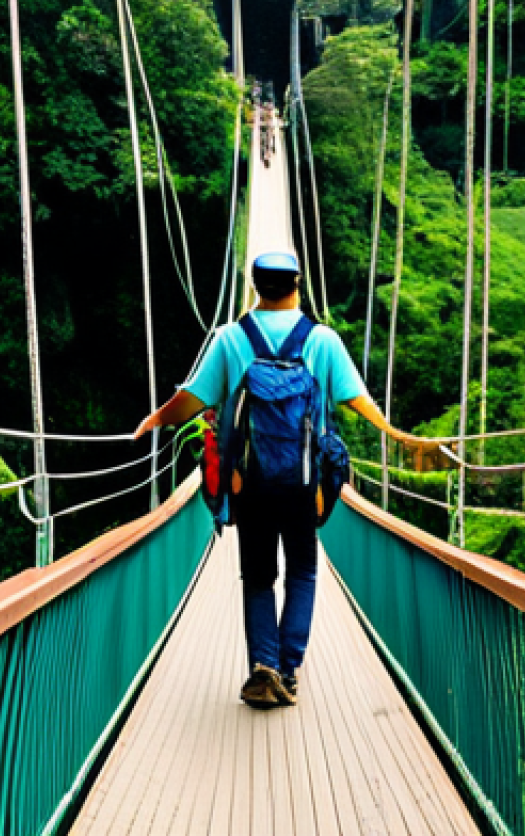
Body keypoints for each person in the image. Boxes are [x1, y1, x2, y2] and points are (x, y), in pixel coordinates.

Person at [133, 251, 437, 710]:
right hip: (304, 483)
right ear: (298, 284)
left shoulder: (231, 338)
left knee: (257, 577)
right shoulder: (323, 340)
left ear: (255, 286)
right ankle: (288, 673)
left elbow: (192, 400)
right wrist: (398, 435)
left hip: (248, 483)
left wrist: (153, 420)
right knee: (303, 571)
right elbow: (358, 401)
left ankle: (264, 666)